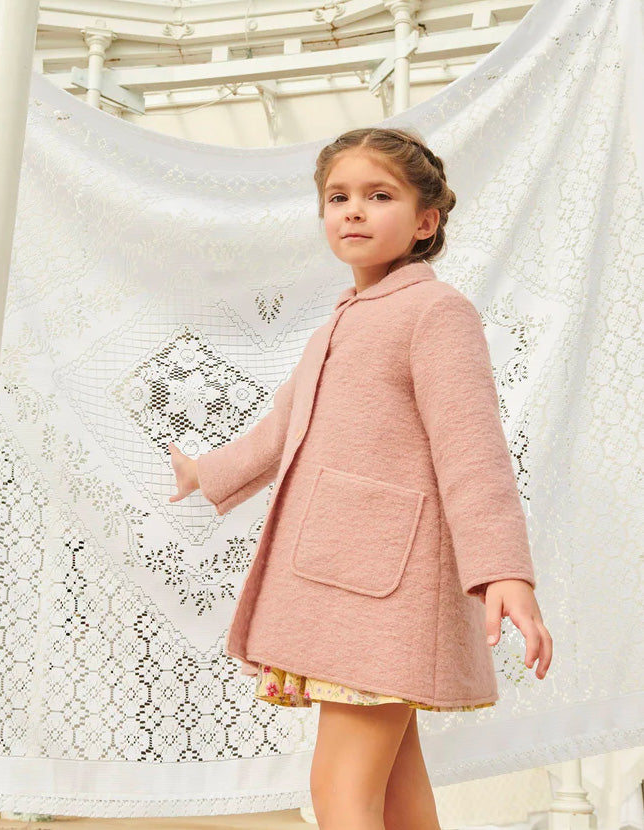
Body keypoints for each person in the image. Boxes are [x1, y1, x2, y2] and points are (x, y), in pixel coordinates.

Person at [168, 126, 553, 830]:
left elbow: (472, 450)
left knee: (341, 793)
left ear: (425, 222)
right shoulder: (338, 324)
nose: (352, 210)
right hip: (342, 581)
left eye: (379, 196)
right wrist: (206, 471)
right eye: (337, 197)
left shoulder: (436, 312)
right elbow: (282, 429)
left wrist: (503, 570)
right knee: (398, 794)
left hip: (388, 590)